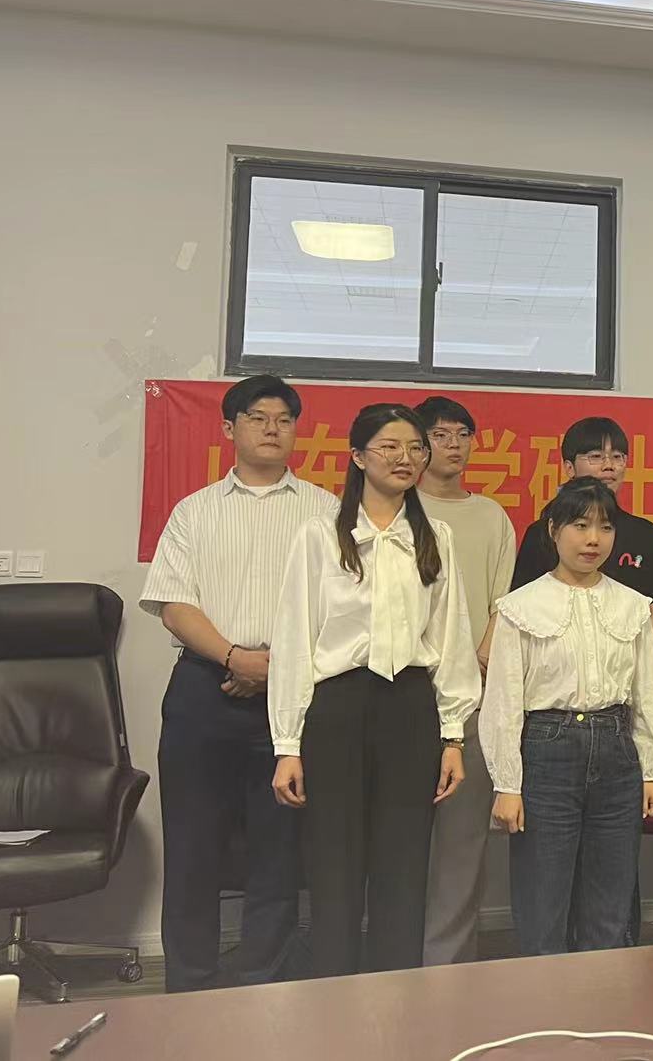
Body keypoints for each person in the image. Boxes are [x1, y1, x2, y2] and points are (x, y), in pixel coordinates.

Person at [269, 403, 481, 978]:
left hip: (410, 707)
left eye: (415, 447)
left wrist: (453, 736)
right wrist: (287, 744)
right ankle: (334, 994)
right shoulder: (320, 536)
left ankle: (396, 997)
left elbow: (451, 637)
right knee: (333, 864)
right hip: (337, 708)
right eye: (389, 446)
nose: (404, 458)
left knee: (404, 864)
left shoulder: (435, 537)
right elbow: (295, 638)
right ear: (358, 457)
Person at [140, 375, 338, 993]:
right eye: (258, 417)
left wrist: (274, 666)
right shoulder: (194, 511)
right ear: (229, 428)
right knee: (192, 845)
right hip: (205, 691)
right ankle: (190, 984)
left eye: (284, 419)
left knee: (278, 849)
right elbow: (174, 604)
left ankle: (263, 982)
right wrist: (234, 658)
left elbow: (341, 606)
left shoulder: (327, 511)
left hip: (293, 692)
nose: (272, 429)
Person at [482, 477, 653, 955]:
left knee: (611, 896)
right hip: (547, 750)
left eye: (605, 527)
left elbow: (646, 693)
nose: (593, 539)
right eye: (580, 526)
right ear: (554, 530)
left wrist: (651, 771)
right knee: (543, 896)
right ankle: (544, 997)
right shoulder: (520, 607)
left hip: (617, 751)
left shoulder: (633, 605)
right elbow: (503, 700)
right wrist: (507, 783)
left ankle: (604, 994)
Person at [414, 395, 518, 966]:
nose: (453, 444)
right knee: (398, 840)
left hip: (473, 696)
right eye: (440, 434)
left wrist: (481, 655)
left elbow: (505, 600)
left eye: (463, 434)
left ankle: (447, 968)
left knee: (461, 844)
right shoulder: (397, 509)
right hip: (404, 695)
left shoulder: (491, 516)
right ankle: (393, 960)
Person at [511, 416, 653, 639]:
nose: (609, 466)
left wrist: (634, 655)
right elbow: (524, 603)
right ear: (569, 467)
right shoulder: (543, 531)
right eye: (596, 456)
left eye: (617, 457)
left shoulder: (646, 534)